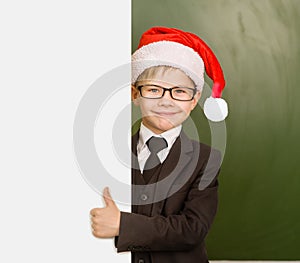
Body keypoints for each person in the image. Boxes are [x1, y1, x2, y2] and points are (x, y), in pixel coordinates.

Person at [90, 26, 228, 263]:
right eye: (154, 89)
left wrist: (122, 224)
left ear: (194, 101)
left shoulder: (206, 159)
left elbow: (192, 229)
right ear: (135, 94)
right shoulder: (110, 151)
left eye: (179, 92)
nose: (166, 100)